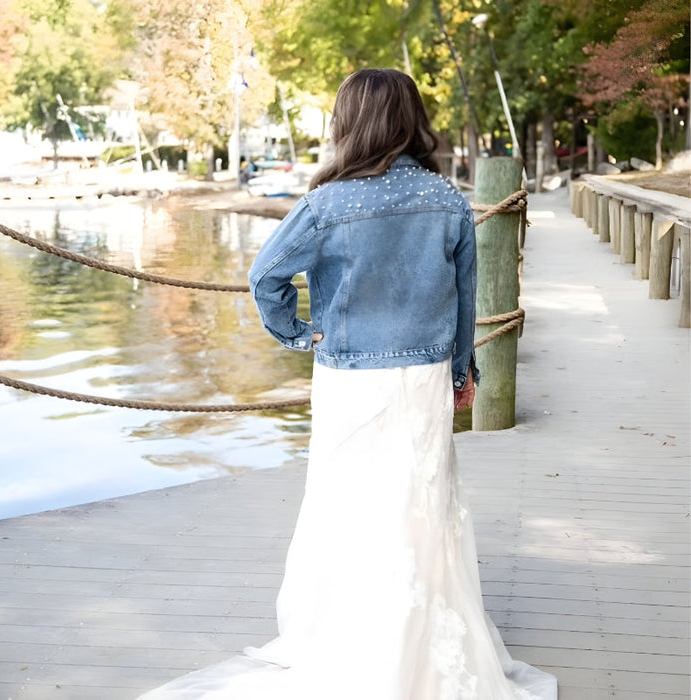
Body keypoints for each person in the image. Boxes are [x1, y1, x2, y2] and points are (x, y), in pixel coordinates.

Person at [138, 68, 557, 699]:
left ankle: (347, 637)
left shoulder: (327, 203)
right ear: (412, 120)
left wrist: (300, 335)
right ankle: (419, 647)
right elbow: (464, 302)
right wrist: (463, 373)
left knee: (346, 507)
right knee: (421, 509)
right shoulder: (447, 200)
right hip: (422, 379)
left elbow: (265, 278)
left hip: (350, 382)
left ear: (350, 123)